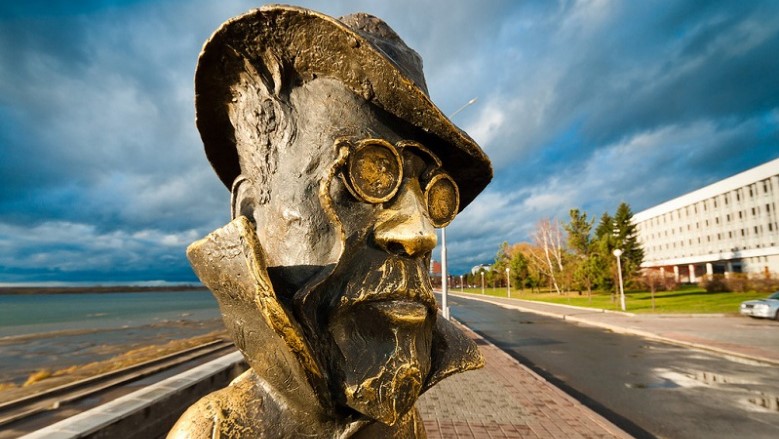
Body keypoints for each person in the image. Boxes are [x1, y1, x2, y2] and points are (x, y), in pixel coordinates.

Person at [169, 5, 492, 438]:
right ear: (250, 214)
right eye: (369, 176)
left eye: (432, 197)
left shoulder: (401, 426)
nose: (420, 234)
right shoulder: (218, 432)